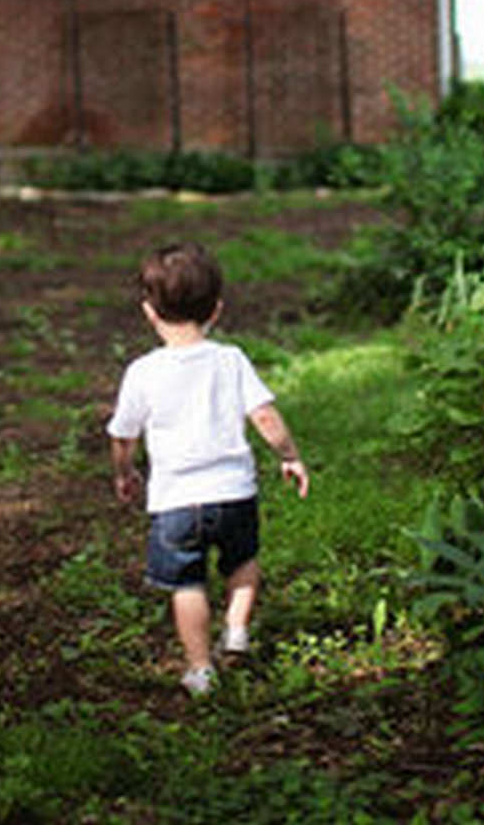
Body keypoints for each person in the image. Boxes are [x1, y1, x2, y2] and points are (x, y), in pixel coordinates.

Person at [107, 240, 309, 696]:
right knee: (243, 562)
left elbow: (123, 434)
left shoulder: (143, 371)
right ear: (216, 310)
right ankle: (236, 629)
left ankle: (200, 669)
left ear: (149, 312)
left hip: (177, 502)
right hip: (235, 492)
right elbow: (265, 416)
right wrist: (290, 456)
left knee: (187, 584)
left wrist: (124, 471)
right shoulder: (231, 359)